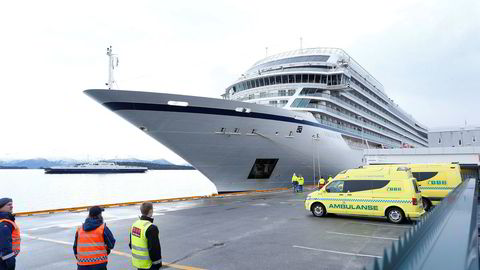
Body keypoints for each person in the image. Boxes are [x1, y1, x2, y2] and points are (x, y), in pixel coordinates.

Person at [130, 202, 162, 270]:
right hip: (148, 265)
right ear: (151, 211)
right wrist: (157, 264)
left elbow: (131, 244)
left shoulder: (135, 224)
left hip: (138, 263)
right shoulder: (151, 228)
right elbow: (154, 249)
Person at [0, 198, 19, 270]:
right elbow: (5, 249)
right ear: (1, 207)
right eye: (9, 205)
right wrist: (11, 263)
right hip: (4, 262)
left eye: (12, 204)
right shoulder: (4, 224)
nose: (12, 206)